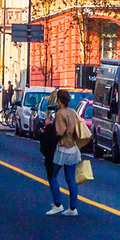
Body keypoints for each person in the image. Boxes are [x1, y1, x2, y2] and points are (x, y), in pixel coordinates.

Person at [46, 89, 80, 217]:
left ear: (59, 100)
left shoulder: (60, 113)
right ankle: (73, 207)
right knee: (70, 179)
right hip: (73, 148)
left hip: (62, 148)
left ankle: (57, 204)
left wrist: (50, 125)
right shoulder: (73, 112)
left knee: (52, 175)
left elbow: (60, 132)